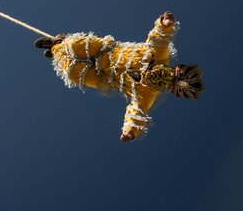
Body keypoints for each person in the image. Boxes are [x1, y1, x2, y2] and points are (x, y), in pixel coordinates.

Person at [34, 12, 203, 142]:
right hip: (106, 51)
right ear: (178, 69)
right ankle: (62, 43)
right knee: (75, 45)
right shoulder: (159, 57)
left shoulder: (148, 94)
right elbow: (159, 40)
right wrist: (165, 24)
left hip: (105, 77)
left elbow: (137, 112)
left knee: (75, 74)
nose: (169, 78)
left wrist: (130, 131)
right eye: (177, 75)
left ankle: (55, 50)